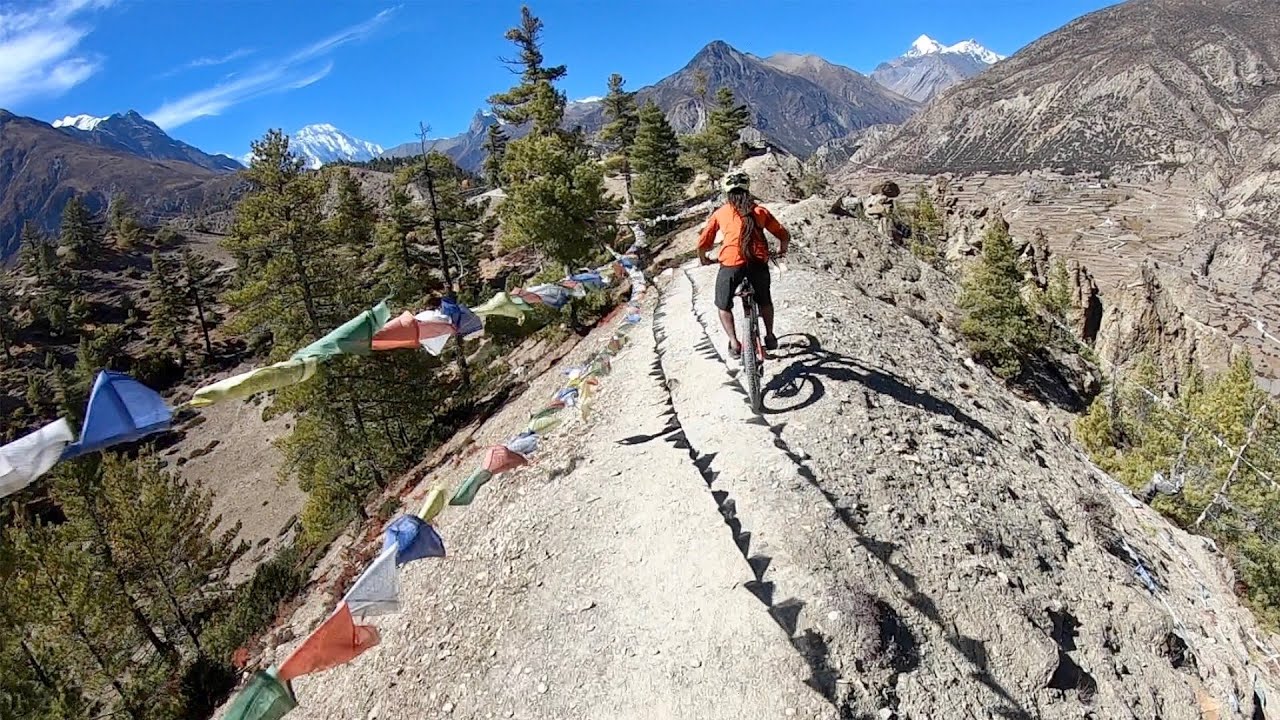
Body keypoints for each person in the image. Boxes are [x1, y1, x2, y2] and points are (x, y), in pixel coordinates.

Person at [697, 169, 790, 358]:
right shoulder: (760, 211)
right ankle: (770, 336)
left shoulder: (721, 213)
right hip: (758, 260)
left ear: (727, 193)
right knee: (765, 300)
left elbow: (703, 242)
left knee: (723, 305)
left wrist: (703, 258)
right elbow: (783, 234)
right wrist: (782, 250)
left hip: (731, 263)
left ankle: (734, 342)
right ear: (747, 190)